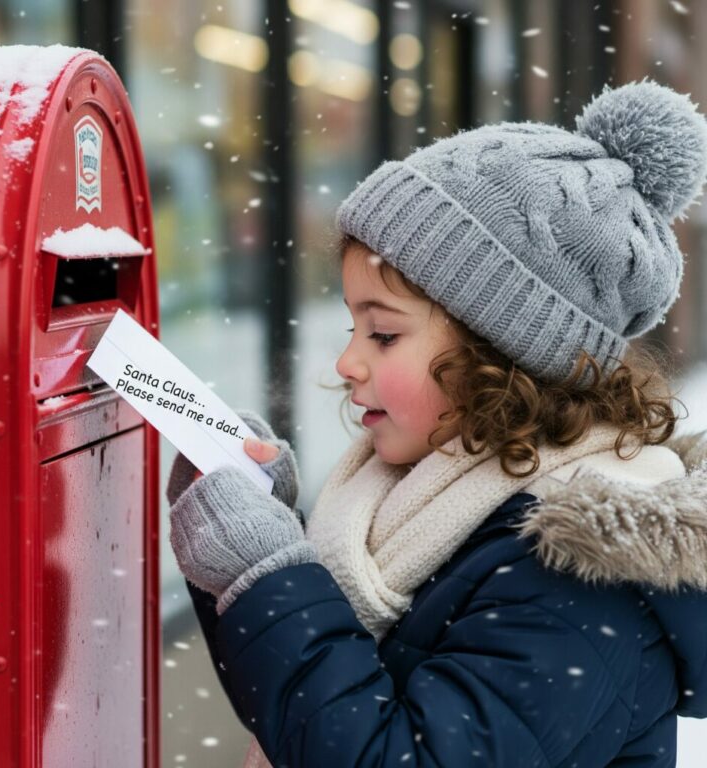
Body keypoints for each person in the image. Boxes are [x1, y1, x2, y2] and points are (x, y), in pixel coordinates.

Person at [165, 78, 707, 767]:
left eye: (383, 335)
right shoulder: (437, 506)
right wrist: (244, 560)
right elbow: (301, 714)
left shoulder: (574, 573)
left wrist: (267, 578)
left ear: (500, 356)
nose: (346, 363)